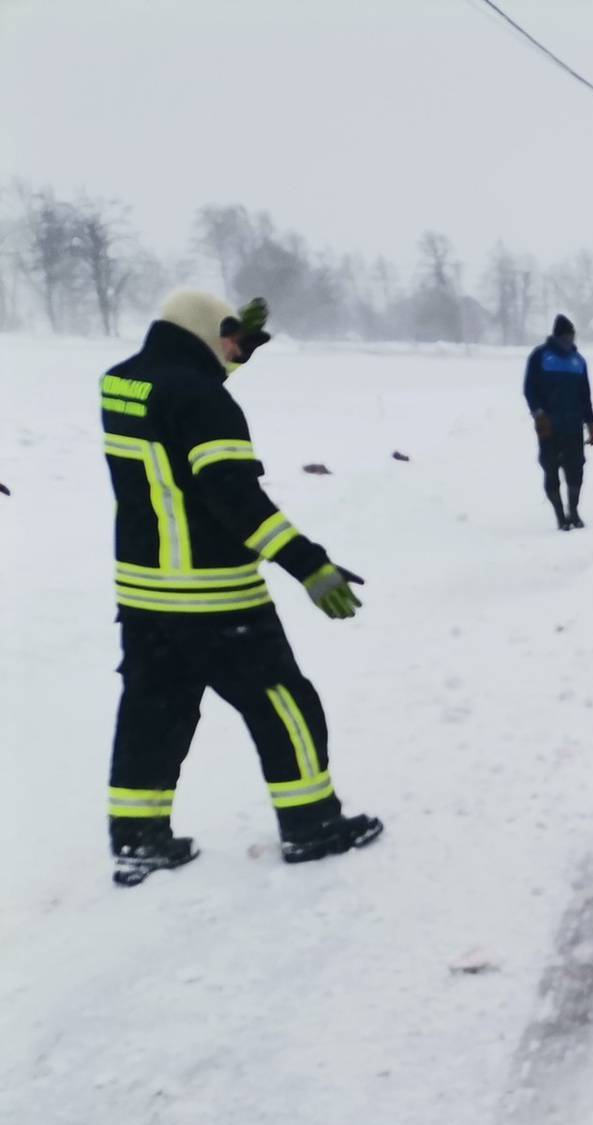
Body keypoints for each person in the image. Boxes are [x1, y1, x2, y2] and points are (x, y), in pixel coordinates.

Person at [100, 289, 382, 887]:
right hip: (211, 592)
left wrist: (227, 338)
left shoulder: (121, 383)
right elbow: (233, 495)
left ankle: (138, 838)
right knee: (284, 703)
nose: (242, 355)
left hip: (144, 592)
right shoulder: (203, 400)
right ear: (210, 330)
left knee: (154, 710)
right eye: (237, 342)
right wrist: (309, 564)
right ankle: (312, 825)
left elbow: (172, 440)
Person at [522, 313, 593, 531]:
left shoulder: (578, 361)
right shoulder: (540, 357)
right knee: (551, 469)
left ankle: (573, 512)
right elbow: (529, 389)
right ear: (558, 336)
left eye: (572, 337)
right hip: (549, 426)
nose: (570, 341)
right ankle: (560, 516)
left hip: (573, 425)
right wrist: (538, 414)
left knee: (576, 470)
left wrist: (590, 424)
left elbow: (585, 396)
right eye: (567, 337)